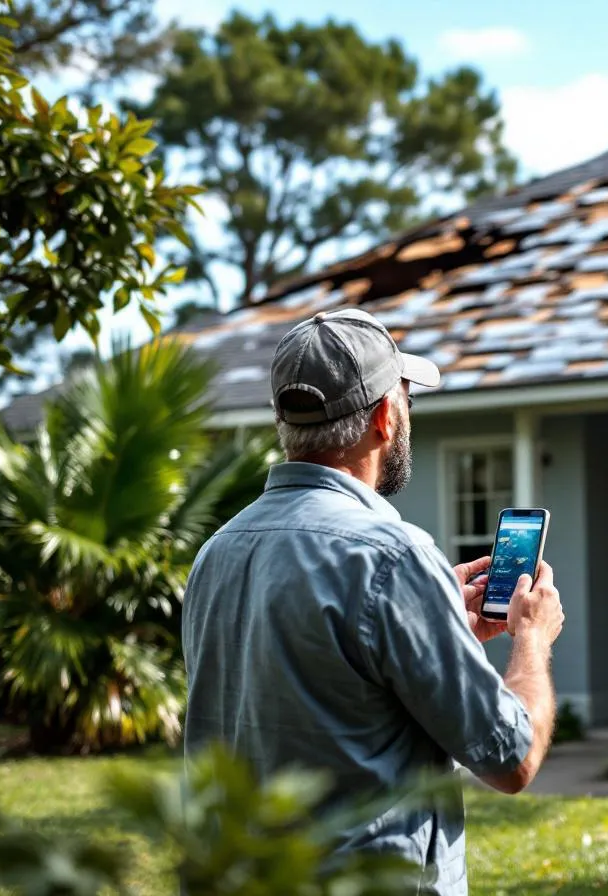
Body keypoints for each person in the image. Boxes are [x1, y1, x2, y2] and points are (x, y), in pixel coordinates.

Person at [182, 307, 565, 895]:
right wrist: (532, 639)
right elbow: (509, 757)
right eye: (406, 398)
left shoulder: (218, 551)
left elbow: (315, 700)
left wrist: (436, 622)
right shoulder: (393, 553)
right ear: (386, 418)